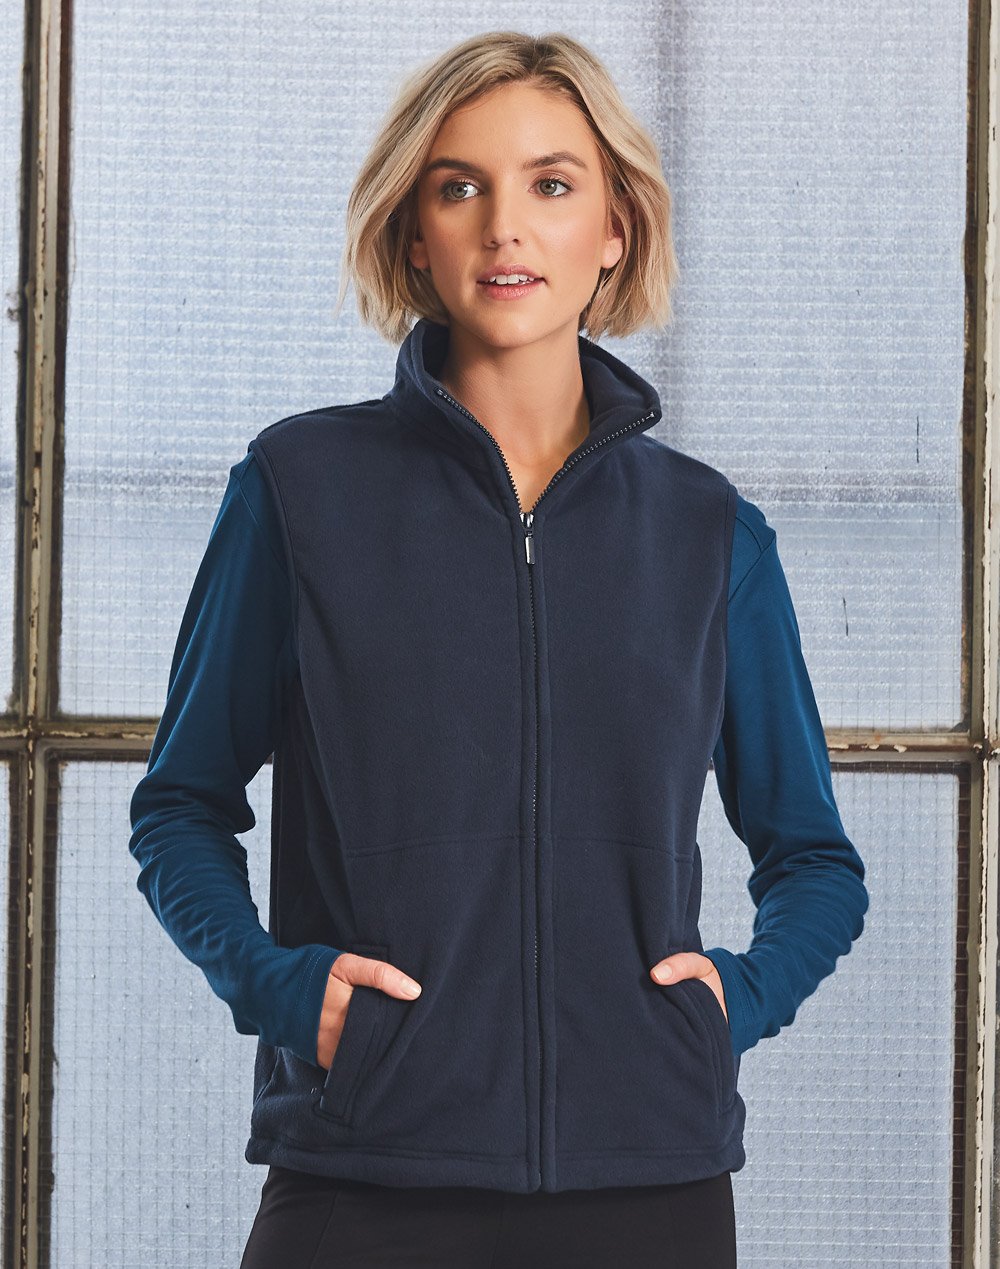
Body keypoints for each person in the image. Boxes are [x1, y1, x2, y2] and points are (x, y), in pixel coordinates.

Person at [128, 30, 869, 1269]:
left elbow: (815, 860)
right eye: (458, 186)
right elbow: (179, 807)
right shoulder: (299, 492)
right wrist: (279, 987)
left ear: (615, 229)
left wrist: (732, 1004)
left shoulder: (707, 534)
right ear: (414, 233)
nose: (503, 227)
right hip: (364, 1169)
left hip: (647, 1180)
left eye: (551, 184)